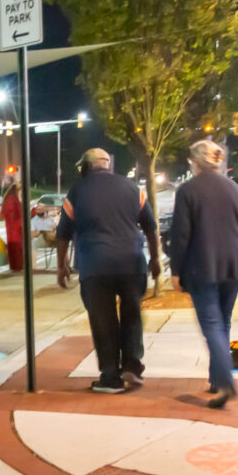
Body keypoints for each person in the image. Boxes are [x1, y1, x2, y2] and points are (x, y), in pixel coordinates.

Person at [56, 148, 162, 394]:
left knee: (103, 321)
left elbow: (63, 233)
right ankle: (132, 368)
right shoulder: (132, 188)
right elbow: (150, 226)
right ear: (108, 165)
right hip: (131, 264)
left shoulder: (77, 191)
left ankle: (111, 377)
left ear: (86, 167)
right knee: (132, 315)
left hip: (96, 266)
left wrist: (62, 266)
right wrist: (155, 259)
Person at [169, 140, 238, 409]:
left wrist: (176, 271)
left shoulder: (187, 191)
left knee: (212, 326)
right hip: (234, 262)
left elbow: (181, 235)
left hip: (202, 265)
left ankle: (226, 381)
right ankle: (217, 378)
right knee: (223, 322)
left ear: (195, 162)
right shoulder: (232, 188)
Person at [0, 182, 24, 272]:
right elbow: (11, 215)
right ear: (17, 190)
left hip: (16, 228)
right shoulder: (11, 200)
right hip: (14, 229)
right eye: (21, 190)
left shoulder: (14, 199)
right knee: (15, 248)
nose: (22, 192)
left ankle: (17, 267)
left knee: (17, 248)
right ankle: (16, 267)